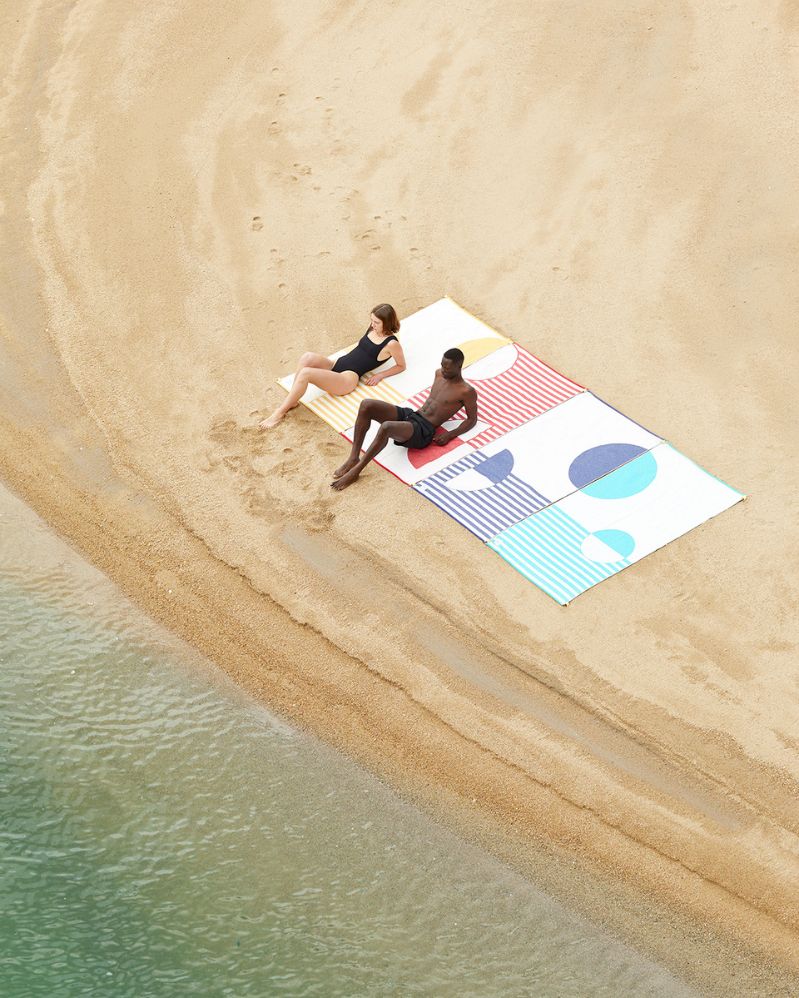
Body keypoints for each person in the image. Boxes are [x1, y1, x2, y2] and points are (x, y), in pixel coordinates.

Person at [331, 348, 478, 491]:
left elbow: (472, 419)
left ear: (459, 367)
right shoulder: (439, 374)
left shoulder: (466, 391)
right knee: (366, 405)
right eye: (442, 365)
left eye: (448, 368)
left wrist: (449, 434)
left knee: (387, 427)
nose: (443, 370)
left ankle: (356, 470)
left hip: (423, 430)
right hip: (413, 415)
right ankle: (353, 457)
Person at [260, 304, 406, 429]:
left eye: (376, 322)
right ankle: (292, 400)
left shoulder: (392, 344)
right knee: (307, 357)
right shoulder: (372, 329)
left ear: (386, 323)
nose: (372, 324)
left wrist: (380, 375)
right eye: (371, 320)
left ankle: (279, 412)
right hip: (337, 364)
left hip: (347, 378)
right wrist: (373, 326)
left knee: (306, 373)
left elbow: (401, 366)